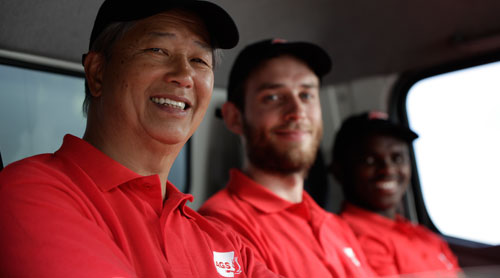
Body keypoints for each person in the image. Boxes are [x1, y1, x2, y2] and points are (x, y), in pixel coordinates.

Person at [0, 1, 281, 277]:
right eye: (157, 50)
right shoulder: (30, 192)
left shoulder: (227, 243)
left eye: (199, 60)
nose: (184, 75)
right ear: (98, 73)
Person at [199, 39, 376, 278]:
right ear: (234, 118)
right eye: (273, 97)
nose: (297, 111)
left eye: (306, 95)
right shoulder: (222, 225)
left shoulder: (335, 225)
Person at [331, 111, 462, 277]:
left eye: (398, 158)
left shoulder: (423, 234)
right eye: (370, 161)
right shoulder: (349, 237)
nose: (388, 170)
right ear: (339, 171)